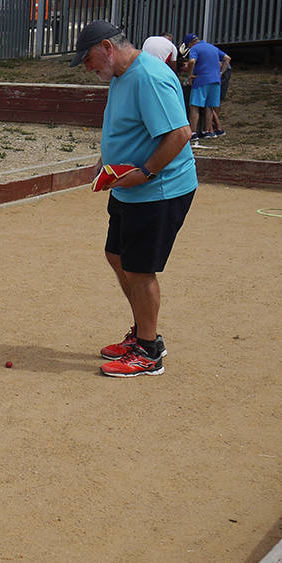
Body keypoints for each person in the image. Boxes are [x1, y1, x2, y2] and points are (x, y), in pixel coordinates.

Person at [71, 20, 197, 377]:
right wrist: (105, 161)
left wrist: (145, 173)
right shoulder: (121, 76)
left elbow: (179, 134)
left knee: (140, 270)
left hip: (157, 189)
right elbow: (124, 125)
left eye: (89, 59)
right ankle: (142, 332)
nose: (88, 67)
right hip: (129, 187)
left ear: (108, 48)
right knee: (117, 255)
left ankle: (149, 351)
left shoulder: (148, 78)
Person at [181, 32, 231, 143]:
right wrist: (220, 73)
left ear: (190, 43)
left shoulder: (195, 49)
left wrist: (190, 75)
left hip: (201, 80)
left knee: (195, 106)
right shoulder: (212, 47)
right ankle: (207, 131)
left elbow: (192, 61)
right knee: (209, 106)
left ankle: (193, 132)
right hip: (215, 80)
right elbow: (227, 58)